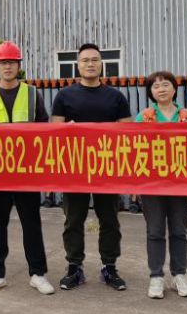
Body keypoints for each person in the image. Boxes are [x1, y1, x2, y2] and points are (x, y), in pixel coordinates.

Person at [50, 43, 132, 291]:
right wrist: (67, 130)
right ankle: (74, 267)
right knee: (73, 220)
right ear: (78, 65)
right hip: (75, 168)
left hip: (106, 167)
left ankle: (110, 267)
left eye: (95, 60)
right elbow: (55, 130)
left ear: (101, 64)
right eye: (85, 60)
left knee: (110, 220)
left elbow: (127, 130)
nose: (90, 64)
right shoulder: (64, 96)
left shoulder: (116, 97)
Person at [0, 42, 54, 296]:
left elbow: (44, 129)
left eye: (11, 62)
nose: (7, 67)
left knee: (31, 224)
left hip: (26, 172)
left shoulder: (32, 94)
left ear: (18, 65)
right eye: (2, 63)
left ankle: (38, 273)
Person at [135, 71, 187, 299]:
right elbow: (133, 147)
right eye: (156, 86)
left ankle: (179, 275)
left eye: (165, 84)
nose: (161, 89)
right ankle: (156, 276)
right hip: (152, 184)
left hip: (181, 182)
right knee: (155, 230)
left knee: (179, 230)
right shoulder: (144, 117)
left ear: (174, 88)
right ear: (150, 92)